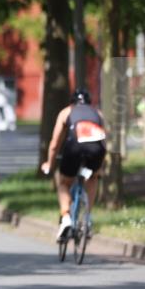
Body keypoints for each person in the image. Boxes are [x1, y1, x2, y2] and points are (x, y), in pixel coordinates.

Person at [41, 88, 107, 240]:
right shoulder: (98, 113)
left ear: (72, 102)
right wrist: (100, 167)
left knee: (64, 182)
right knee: (92, 178)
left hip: (74, 147)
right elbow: (105, 141)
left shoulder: (66, 112)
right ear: (89, 103)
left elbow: (55, 143)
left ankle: (66, 219)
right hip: (95, 149)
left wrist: (49, 164)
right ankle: (88, 218)